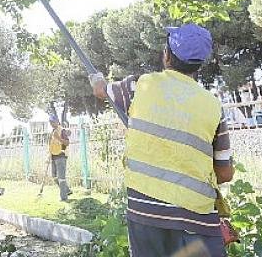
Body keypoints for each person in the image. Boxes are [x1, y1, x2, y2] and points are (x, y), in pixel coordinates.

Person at [89, 24, 234, 257]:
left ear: (167, 56)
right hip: (196, 218)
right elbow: (225, 173)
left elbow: (101, 91)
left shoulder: (140, 86)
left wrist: (97, 79)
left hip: (146, 213)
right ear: (200, 64)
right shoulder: (213, 106)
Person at [48, 114, 71, 201]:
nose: (52, 123)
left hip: (61, 156)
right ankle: (67, 190)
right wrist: (49, 155)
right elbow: (51, 144)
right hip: (53, 156)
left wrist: (59, 138)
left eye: (53, 122)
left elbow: (67, 143)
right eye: (50, 122)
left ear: (57, 121)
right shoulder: (52, 132)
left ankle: (64, 197)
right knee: (54, 176)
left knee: (61, 178)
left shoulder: (62, 131)